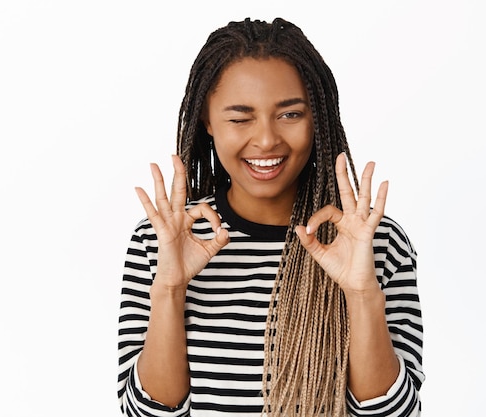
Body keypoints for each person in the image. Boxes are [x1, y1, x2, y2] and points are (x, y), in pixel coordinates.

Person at [117, 17, 424, 417]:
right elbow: (146, 413)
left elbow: (395, 415)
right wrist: (171, 289)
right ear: (208, 121)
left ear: (318, 119)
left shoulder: (375, 242)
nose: (265, 139)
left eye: (290, 114)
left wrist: (362, 294)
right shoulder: (160, 240)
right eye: (240, 118)